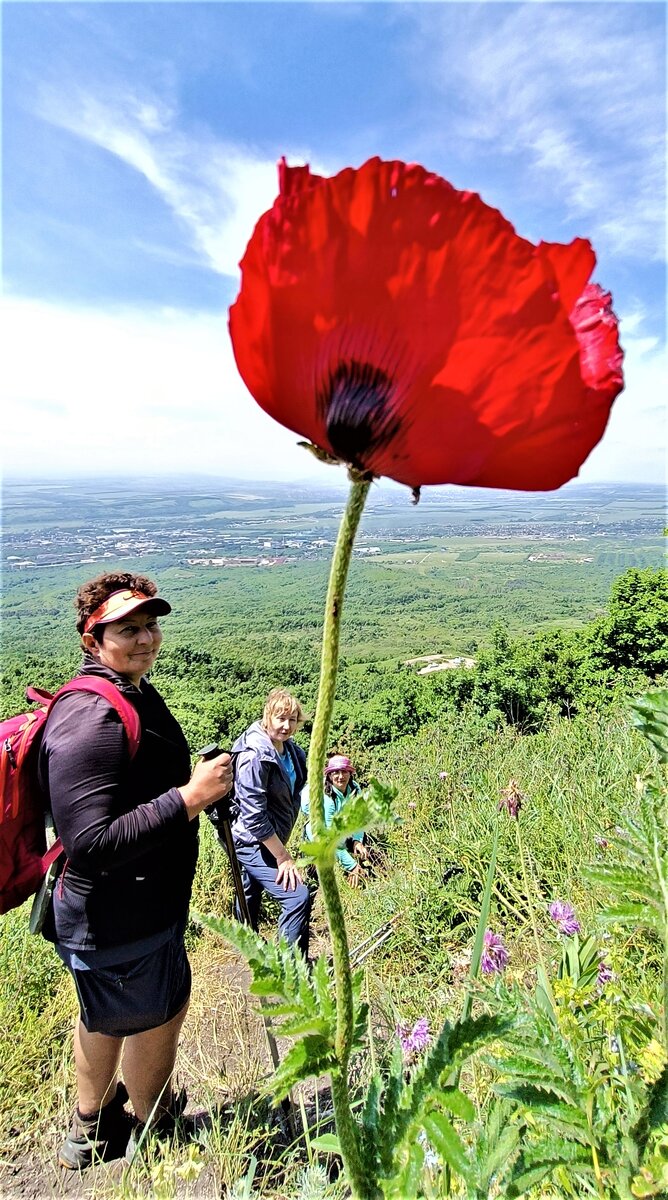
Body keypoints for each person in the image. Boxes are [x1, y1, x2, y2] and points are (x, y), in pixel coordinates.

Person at [38, 571, 233, 1170]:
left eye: (150, 626)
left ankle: (89, 1127)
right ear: (93, 640)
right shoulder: (90, 719)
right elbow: (89, 840)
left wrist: (187, 788)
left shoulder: (130, 691)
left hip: (126, 912)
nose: (146, 638)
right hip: (120, 916)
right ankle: (154, 1121)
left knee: (104, 1014)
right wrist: (188, 799)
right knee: (160, 1011)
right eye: (128, 630)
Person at [229, 689, 310, 955]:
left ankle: (249, 948)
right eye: (280, 718)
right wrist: (283, 856)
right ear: (268, 716)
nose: (287, 726)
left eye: (293, 719)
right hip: (251, 841)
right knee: (297, 897)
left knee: (249, 892)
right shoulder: (255, 755)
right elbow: (254, 816)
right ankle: (289, 969)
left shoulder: (290, 751)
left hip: (270, 838)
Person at [302, 755, 370, 888]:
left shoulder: (355, 789)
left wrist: (357, 840)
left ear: (350, 773)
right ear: (329, 776)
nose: (340, 777)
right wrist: (352, 866)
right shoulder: (327, 798)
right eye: (336, 773)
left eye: (344, 772)